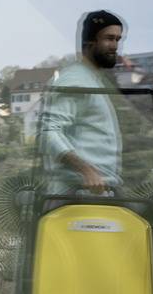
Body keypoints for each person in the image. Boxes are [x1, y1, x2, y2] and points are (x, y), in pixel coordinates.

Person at [38, 10, 125, 195]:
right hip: (75, 196)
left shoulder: (92, 80)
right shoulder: (75, 80)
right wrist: (86, 170)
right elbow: (48, 134)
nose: (115, 46)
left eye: (118, 39)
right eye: (109, 38)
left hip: (96, 194)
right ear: (90, 42)